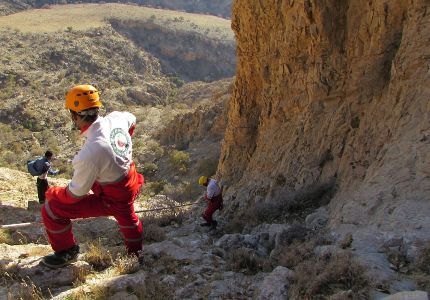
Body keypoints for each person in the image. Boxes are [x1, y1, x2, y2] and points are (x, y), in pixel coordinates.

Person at [40, 84, 144, 269]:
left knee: (51, 208)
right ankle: (136, 253)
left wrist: (53, 193)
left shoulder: (90, 154)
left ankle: (67, 251)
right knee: (127, 217)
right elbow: (132, 119)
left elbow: (75, 194)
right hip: (132, 181)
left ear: (75, 116)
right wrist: (121, 145)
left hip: (114, 198)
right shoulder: (117, 118)